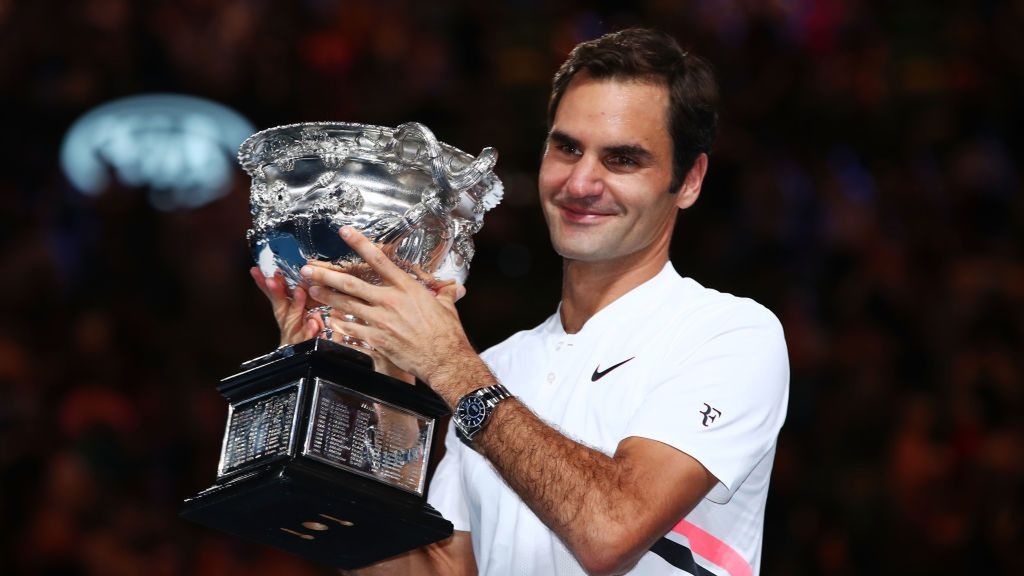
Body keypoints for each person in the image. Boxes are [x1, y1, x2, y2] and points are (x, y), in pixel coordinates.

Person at [255, 28, 788, 576]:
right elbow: (436, 571)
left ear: (690, 180)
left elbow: (611, 531)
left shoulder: (730, 334)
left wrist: (451, 369)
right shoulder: (500, 367)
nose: (581, 182)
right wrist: (346, 391)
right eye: (567, 147)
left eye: (623, 159)